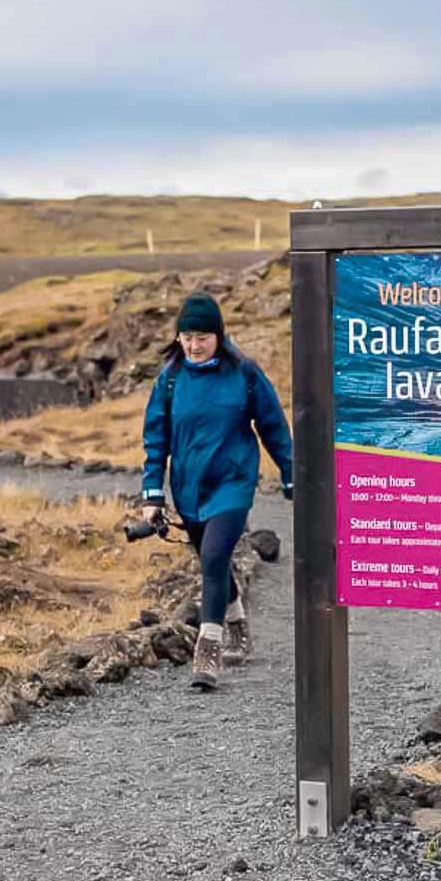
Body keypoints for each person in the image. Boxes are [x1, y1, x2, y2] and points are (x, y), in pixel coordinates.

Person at [141, 291, 294, 691]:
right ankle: (239, 624)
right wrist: (152, 493)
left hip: (233, 483)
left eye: (202, 337)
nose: (193, 345)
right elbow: (156, 440)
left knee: (212, 555)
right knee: (214, 562)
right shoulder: (170, 379)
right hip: (189, 488)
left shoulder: (243, 373)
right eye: (187, 336)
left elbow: (273, 426)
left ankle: (208, 647)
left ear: (219, 336)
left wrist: (292, 474)